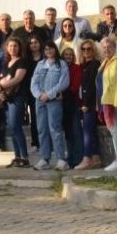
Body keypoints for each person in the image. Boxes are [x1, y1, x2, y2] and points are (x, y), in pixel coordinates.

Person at [30, 41, 70, 170]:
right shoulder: (40, 64)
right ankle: (45, 159)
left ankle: (61, 159)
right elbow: (33, 83)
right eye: (46, 49)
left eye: (51, 49)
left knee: (55, 129)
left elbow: (63, 83)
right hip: (40, 101)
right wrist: (39, 95)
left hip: (54, 101)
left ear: (55, 49)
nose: (48, 51)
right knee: (42, 129)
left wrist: (50, 94)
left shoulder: (61, 64)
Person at [0, 37, 30, 168]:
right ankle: (17, 157)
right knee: (11, 128)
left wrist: (1, 86)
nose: (12, 48)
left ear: (19, 48)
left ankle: (24, 157)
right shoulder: (6, 63)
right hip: (8, 99)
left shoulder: (22, 61)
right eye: (10, 46)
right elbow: (3, 78)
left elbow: (17, 79)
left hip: (18, 97)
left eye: (15, 46)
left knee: (16, 126)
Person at [100, 37, 117, 171]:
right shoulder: (105, 62)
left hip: (113, 103)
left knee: (116, 132)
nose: (106, 49)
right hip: (106, 102)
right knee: (113, 131)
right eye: (104, 47)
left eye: (109, 47)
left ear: (114, 48)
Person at [76, 40, 103, 169]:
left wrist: (86, 104)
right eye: (83, 49)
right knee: (91, 131)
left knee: (86, 131)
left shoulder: (95, 64)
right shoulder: (83, 65)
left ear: (94, 50)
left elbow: (92, 86)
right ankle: (96, 158)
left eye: (89, 49)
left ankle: (86, 158)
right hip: (84, 103)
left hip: (91, 104)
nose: (86, 51)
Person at [61, 46, 84, 167]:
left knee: (76, 131)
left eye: (70, 54)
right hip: (61, 104)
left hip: (73, 103)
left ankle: (78, 159)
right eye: (66, 54)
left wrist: (61, 92)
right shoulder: (59, 68)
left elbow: (75, 86)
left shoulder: (76, 68)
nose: (68, 56)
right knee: (68, 134)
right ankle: (70, 158)